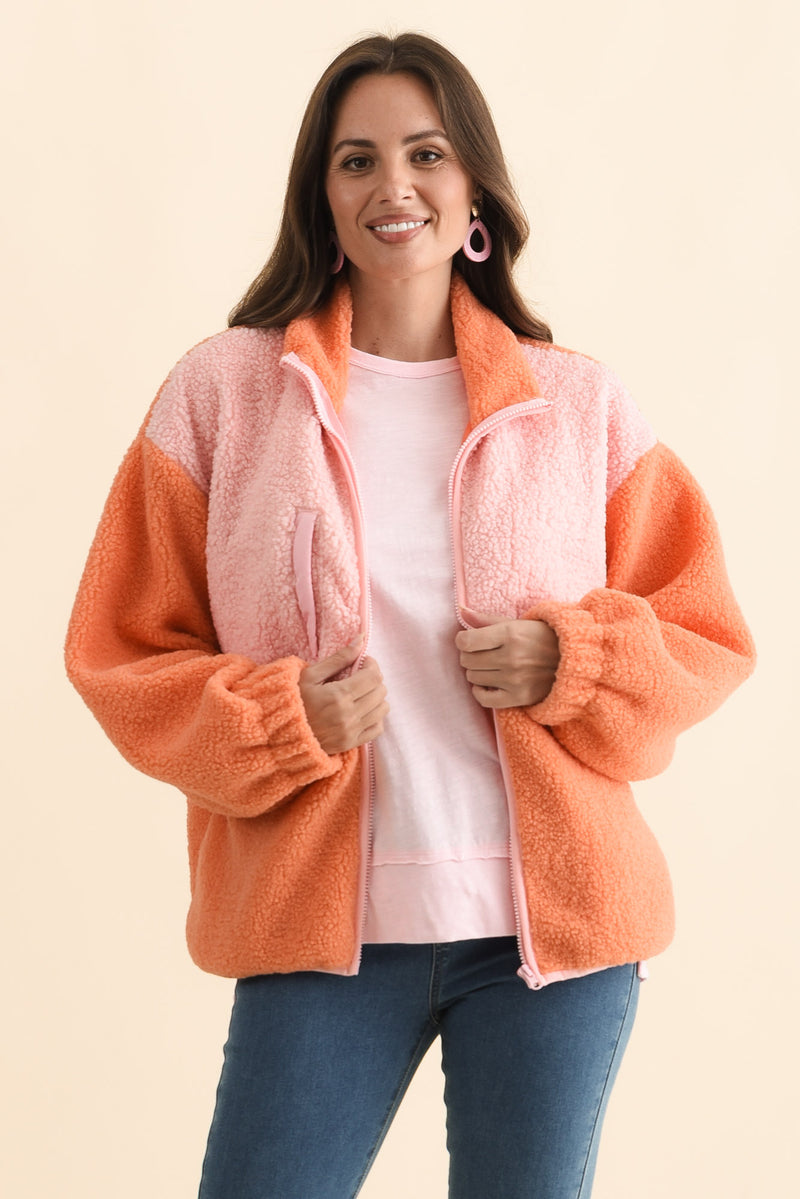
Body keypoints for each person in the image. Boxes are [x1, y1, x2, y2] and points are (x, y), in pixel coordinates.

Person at [65, 31, 755, 1199]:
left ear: (473, 187)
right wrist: (283, 715)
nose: (394, 184)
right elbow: (118, 651)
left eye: (426, 153)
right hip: (317, 935)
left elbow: (706, 632)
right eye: (358, 159)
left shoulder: (574, 405)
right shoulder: (223, 395)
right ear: (321, 194)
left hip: (550, 945)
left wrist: (573, 659)